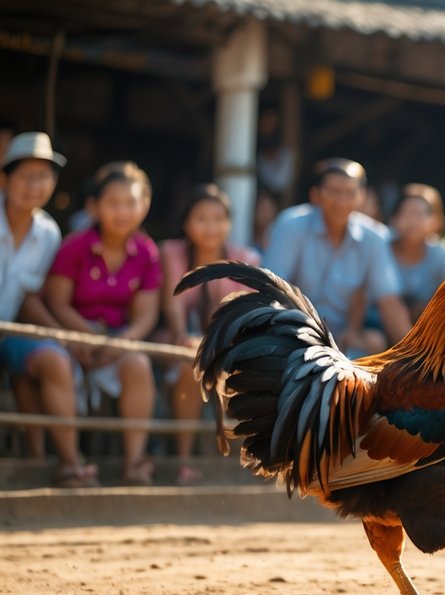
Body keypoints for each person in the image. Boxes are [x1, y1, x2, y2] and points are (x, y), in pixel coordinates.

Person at [45, 161, 160, 486]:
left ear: (145, 204)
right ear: (94, 206)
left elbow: (146, 315)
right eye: (112, 203)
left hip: (117, 341)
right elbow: (56, 303)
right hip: (70, 336)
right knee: (57, 362)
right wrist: (87, 335)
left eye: (131, 202)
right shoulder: (75, 246)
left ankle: (134, 464)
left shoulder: (146, 252)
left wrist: (121, 342)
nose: (122, 211)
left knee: (138, 363)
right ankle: (70, 464)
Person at [0, 132, 96, 487]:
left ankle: (69, 464)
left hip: (11, 334)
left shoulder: (48, 233)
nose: (35, 185)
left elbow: (28, 297)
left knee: (54, 358)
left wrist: (61, 335)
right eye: (26, 176)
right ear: (4, 179)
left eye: (44, 177)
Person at [158, 184, 262, 485]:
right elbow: (173, 302)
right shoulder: (171, 252)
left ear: (229, 224)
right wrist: (181, 334)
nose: (210, 227)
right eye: (202, 218)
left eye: (219, 219)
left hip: (230, 346)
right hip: (179, 341)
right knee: (190, 365)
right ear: (187, 222)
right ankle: (184, 461)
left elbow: (247, 314)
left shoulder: (245, 260)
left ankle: (255, 462)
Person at [263, 158, 410, 356]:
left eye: (349, 193)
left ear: (361, 197)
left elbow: (389, 302)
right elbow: (271, 289)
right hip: (292, 331)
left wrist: (415, 359)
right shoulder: (291, 225)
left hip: (345, 339)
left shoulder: (374, 237)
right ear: (315, 195)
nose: (341, 200)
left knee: (375, 342)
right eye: (333, 192)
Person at [386, 183, 445, 320]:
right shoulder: (382, 247)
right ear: (394, 218)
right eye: (406, 213)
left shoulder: (443, 254)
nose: (413, 221)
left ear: (437, 221)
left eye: (421, 214)